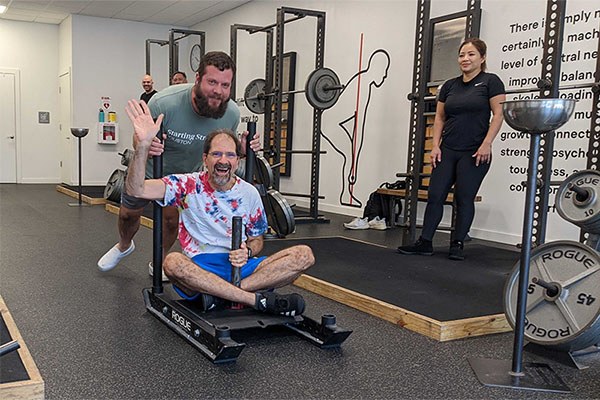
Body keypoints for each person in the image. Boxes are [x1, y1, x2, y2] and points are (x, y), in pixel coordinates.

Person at [124, 103, 313, 315]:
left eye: (230, 155)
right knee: (172, 262)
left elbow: (257, 239)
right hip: (201, 269)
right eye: (216, 154)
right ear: (205, 158)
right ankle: (254, 300)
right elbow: (136, 190)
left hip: (242, 268)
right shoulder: (187, 184)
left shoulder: (249, 193)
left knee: (304, 255)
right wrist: (142, 147)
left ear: (237, 160)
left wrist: (248, 251)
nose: (223, 160)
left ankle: (222, 295)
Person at [98, 51, 259, 279]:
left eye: (225, 85)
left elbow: (225, 148)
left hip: (182, 178)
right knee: (127, 215)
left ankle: (159, 259)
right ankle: (124, 245)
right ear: (198, 78)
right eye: (212, 82)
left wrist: (243, 148)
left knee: (171, 221)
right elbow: (139, 138)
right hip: (148, 171)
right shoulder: (165, 103)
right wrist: (145, 143)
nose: (218, 91)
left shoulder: (230, 112)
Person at [397, 38, 506, 261]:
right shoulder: (449, 86)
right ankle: (425, 242)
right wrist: (435, 146)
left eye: (471, 54)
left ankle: (457, 244)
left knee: (464, 198)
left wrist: (487, 143)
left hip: (475, 151)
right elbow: (439, 118)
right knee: (435, 195)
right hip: (448, 150)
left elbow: (499, 114)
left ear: (482, 58)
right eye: (462, 55)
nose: (465, 59)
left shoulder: (490, 82)